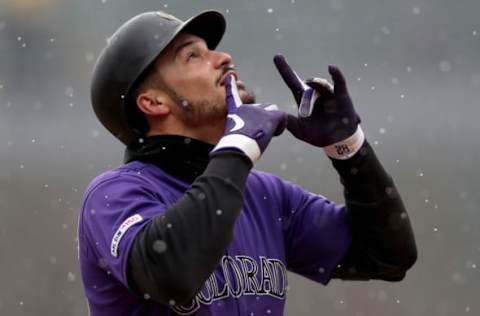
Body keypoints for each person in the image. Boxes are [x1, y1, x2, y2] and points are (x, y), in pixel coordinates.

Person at [78, 10, 417, 316]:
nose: (223, 57)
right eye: (193, 55)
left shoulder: (263, 193)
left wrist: (349, 149)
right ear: (153, 102)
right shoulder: (114, 195)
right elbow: (171, 274)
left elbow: (387, 257)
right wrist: (236, 149)